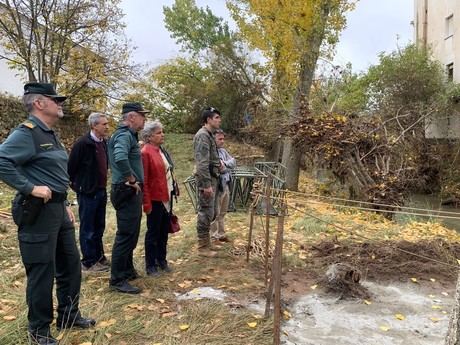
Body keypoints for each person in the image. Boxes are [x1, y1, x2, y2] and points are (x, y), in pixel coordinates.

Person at [0, 82, 95, 345]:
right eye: (55, 99)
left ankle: (68, 315)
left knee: (70, 265)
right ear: (39, 103)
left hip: (57, 209)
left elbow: (52, 173)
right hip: (38, 212)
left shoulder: (49, 133)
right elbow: (2, 160)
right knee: (42, 270)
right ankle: (39, 330)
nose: (60, 103)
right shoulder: (27, 133)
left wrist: (63, 203)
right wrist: (30, 188)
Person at [108, 102, 147, 294]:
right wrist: (131, 179)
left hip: (128, 190)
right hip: (126, 189)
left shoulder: (128, 135)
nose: (144, 119)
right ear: (131, 117)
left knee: (131, 233)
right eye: (141, 116)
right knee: (125, 235)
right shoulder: (124, 135)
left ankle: (127, 269)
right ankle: (117, 279)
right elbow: (120, 157)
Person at [68, 112, 110, 272]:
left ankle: (99, 257)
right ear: (94, 126)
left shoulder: (103, 142)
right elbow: (71, 168)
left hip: (101, 190)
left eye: (107, 124)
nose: (107, 127)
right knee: (88, 228)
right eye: (103, 124)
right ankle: (88, 262)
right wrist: (80, 188)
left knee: (99, 226)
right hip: (88, 192)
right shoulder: (83, 144)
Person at [141, 120, 178, 276]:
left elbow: (167, 170)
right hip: (156, 198)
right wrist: (146, 202)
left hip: (167, 195)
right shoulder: (145, 152)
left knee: (164, 230)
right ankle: (151, 266)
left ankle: (162, 260)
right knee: (153, 232)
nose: (162, 134)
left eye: (162, 132)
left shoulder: (161, 150)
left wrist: (174, 185)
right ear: (149, 136)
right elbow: (145, 180)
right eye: (158, 133)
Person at [193, 107, 222, 257]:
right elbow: (202, 163)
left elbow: (210, 158)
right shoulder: (203, 136)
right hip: (207, 180)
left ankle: (207, 243)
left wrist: (219, 164)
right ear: (208, 120)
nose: (219, 120)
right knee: (205, 212)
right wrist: (206, 185)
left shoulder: (210, 135)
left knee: (212, 212)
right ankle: (202, 247)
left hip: (213, 178)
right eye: (216, 117)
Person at [210, 129, 236, 242]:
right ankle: (214, 235)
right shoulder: (212, 153)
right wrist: (225, 166)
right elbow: (220, 169)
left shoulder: (223, 151)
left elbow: (233, 162)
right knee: (216, 211)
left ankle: (221, 234)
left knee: (223, 211)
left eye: (223, 139)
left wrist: (225, 163)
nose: (222, 141)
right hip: (217, 186)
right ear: (213, 139)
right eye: (219, 139)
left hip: (225, 184)